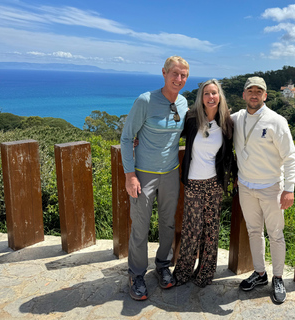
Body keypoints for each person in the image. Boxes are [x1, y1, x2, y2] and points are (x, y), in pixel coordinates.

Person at [120, 56, 189, 301]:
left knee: (168, 223)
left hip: (171, 173)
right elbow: (127, 138)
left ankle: (162, 266)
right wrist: (130, 176)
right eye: (175, 74)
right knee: (141, 226)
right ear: (164, 73)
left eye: (183, 75)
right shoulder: (145, 100)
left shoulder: (183, 102)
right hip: (144, 175)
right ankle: (136, 274)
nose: (178, 79)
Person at [231, 76, 295, 304]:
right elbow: (210, 124)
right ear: (243, 95)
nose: (254, 94)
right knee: (253, 231)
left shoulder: (276, 121)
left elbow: (290, 156)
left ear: (265, 96)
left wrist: (288, 189)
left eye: (259, 91)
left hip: (271, 188)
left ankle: (278, 278)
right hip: (246, 187)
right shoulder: (237, 119)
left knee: (275, 235)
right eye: (250, 91)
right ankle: (260, 274)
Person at [173, 79, 235, 287]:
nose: (210, 97)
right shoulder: (191, 120)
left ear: (220, 97)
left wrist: (234, 176)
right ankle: (182, 272)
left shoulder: (227, 122)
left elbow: (231, 154)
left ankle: (205, 274)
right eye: (206, 93)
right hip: (193, 182)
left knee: (211, 230)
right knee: (192, 230)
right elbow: (170, 134)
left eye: (214, 93)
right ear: (201, 97)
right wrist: (139, 138)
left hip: (214, 183)